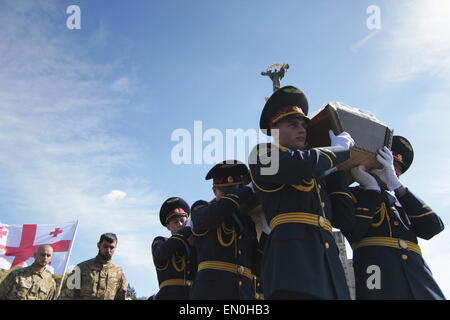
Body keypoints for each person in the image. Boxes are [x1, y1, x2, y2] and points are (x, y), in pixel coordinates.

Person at [248, 85, 356, 299]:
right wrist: (338, 151)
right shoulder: (262, 155)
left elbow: (344, 219)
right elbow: (301, 164)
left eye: (304, 125)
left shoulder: (314, 167)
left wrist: (337, 173)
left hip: (329, 268)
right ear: (274, 128)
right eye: (293, 124)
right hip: (292, 267)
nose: (302, 129)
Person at [347, 135, 445, 299]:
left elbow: (433, 228)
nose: (393, 171)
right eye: (388, 164)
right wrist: (371, 189)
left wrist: (397, 186)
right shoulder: (354, 195)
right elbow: (354, 232)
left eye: (396, 169)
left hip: (417, 276)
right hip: (375, 272)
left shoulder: (403, 199)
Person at [190, 160, 261, 300]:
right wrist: (246, 190)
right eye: (226, 192)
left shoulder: (247, 221)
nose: (232, 196)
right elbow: (215, 213)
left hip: (244, 294)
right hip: (212, 292)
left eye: (235, 190)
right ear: (214, 190)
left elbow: (257, 264)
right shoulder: (201, 208)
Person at [151, 197, 197, 299]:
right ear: (168, 226)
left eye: (182, 221)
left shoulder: (194, 244)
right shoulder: (160, 241)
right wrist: (187, 230)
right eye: (175, 222)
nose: (180, 224)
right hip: (169, 295)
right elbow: (161, 254)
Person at [59, 233, 127, 300]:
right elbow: (65, 295)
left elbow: (121, 297)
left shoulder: (118, 273)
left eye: (111, 247)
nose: (108, 250)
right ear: (98, 245)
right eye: (105, 246)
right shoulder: (81, 268)